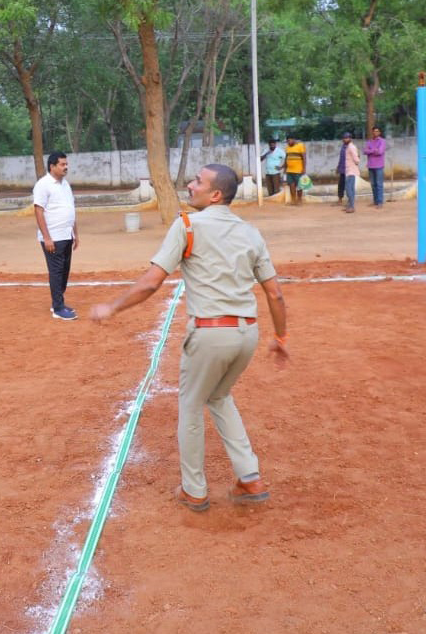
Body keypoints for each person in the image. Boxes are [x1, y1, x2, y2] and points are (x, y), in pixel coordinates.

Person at [90, 164, 289, 512]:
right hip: (248, 334)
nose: (189, 184)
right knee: (219, 396)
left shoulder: (187, 225)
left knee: (191, 406)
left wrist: (113, 307)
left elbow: (152, 282)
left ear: (215, 195)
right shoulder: (250, 232)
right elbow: (275, 294)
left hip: (211, 334)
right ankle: (250, 477)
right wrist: (281, 337)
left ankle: (194, 490)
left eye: (198, 181)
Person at [34, 151, 79, 320]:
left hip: (66, 235)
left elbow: (71, 210)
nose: (66, 167)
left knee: (64, 271)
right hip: (53, 237)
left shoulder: (65, 184)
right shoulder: (43, 185)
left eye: (66, 164)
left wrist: (76, 234)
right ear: (52, 166)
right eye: (62, 164)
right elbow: (38, 211)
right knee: (56, 271)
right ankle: (58, 308)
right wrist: (46, 238)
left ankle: (59, 303)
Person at [337, 132, 362, 214]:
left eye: (347, 138)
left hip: (351, 171)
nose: (345, 139)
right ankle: (349, 205)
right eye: (344, 138)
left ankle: (351, 206)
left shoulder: (351, 147)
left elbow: (357, 159)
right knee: (349, 189)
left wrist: (357, 161)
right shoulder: (346, 147)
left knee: (349, 189)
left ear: (350, 138)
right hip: (347, 171)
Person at [364, 126, 388, 208]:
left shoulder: (382, 141)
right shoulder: (369, 141)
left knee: (379, 184)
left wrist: (370, 151)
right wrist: (374, 150)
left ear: (379, 132)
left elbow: (380, 152)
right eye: (374, 131)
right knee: (373, 184)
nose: (375, 133)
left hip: (379, 166)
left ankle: (380, 202)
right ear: (372, 132)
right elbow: (365, 151)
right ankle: (375, 201)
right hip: (370, 165)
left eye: (377, 131)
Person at [283, 135, 307, 205]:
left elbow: (304, 158)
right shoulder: (287, 148)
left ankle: (299, 200)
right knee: (291, 185)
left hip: (298, 170)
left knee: (299, 186)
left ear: (294, 139)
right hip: (289, 170)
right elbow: (286, 158)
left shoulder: (300, 146)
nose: (288, 142)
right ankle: (293, 200)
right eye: (287, 141)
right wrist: (285, 169)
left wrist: (304, 168)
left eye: (289, 140)